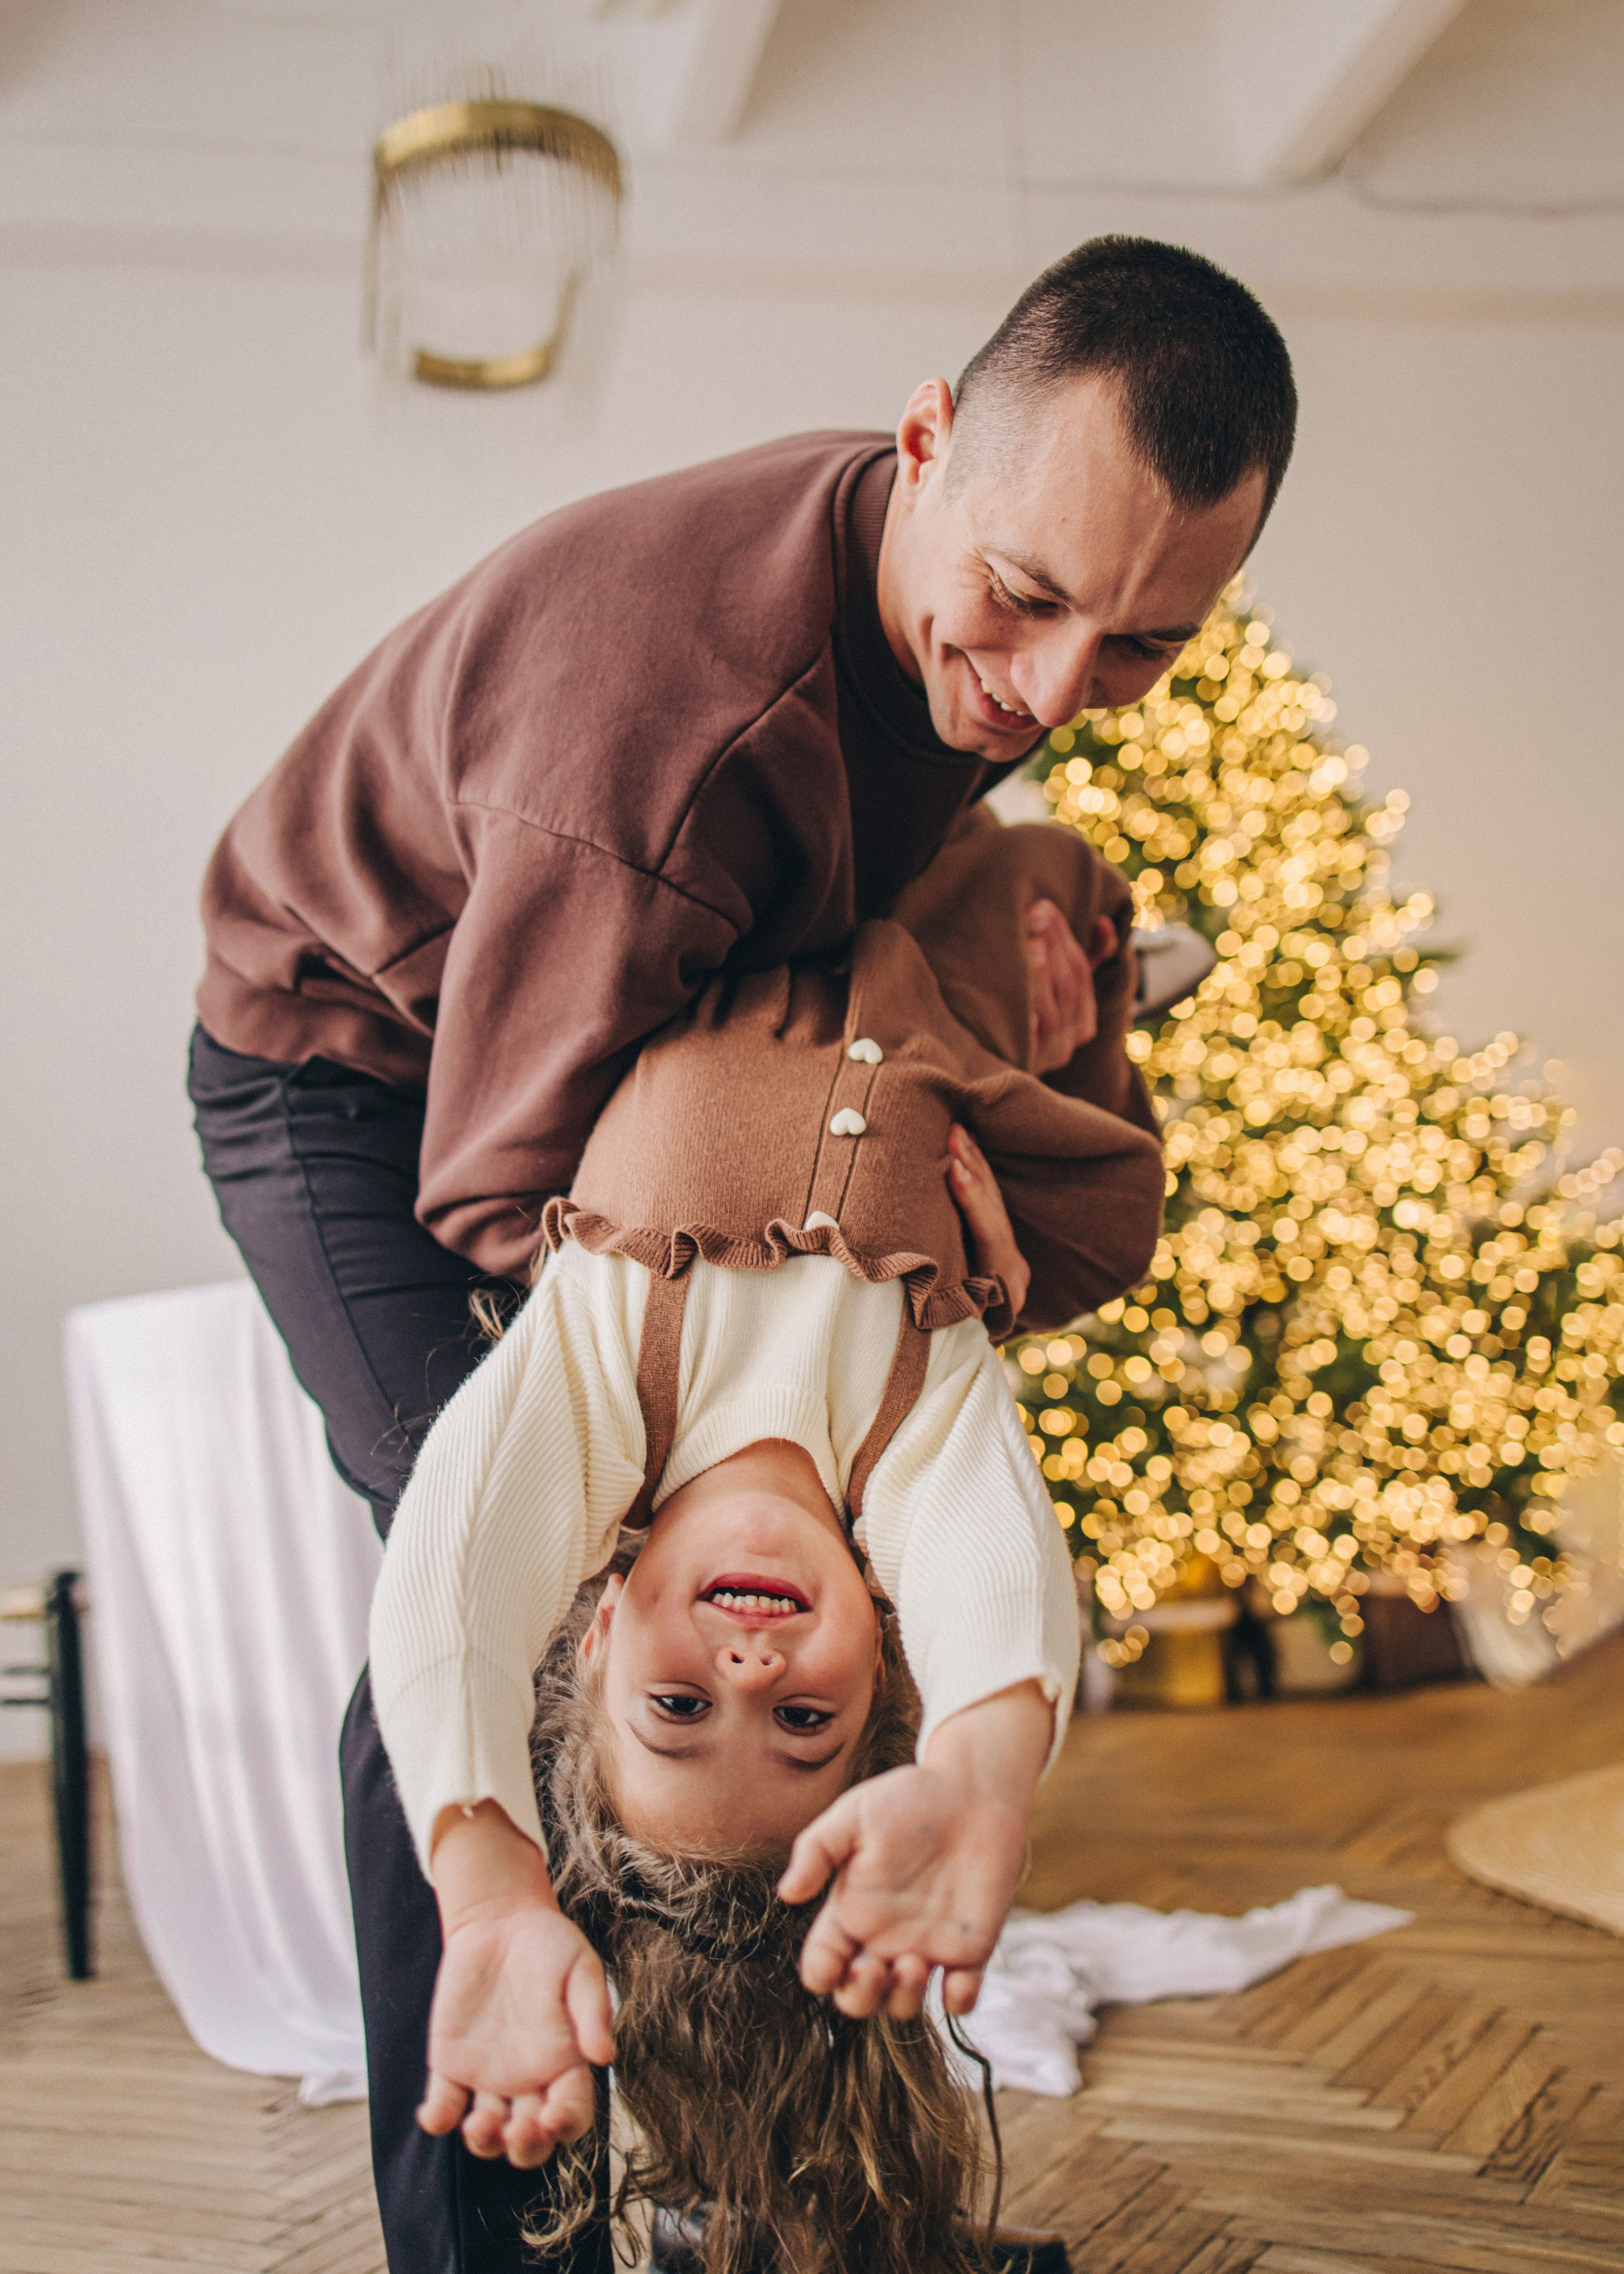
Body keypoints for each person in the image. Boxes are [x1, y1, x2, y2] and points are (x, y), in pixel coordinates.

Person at [190, 235, 1296, 2274]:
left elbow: (844, 931)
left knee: (761, 1584)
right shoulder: (669, 746)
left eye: (1143, 646)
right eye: (1032, 605)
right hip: (369, 1073)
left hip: (622, 1024)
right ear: (925, 442)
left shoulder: (954, 572)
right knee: (517, 1594)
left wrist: (927, 1119)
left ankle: (812, 2197)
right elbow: (519, 1194)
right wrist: (835, 1221)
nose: (1055, 692)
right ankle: (493, 2221)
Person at [371, 813, 1161, 2274]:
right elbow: (997, 1569)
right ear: (883, 1649)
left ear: (597, 1632)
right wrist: (981, 1773)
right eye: (803, 1719)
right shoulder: (913, 1425)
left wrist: (488, 1881)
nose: (745, 1661)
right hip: (968, 943)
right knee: (1064, 905)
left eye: (680, 1709)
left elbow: (454, 1578)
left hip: (738, 863)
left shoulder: (601, 1391)